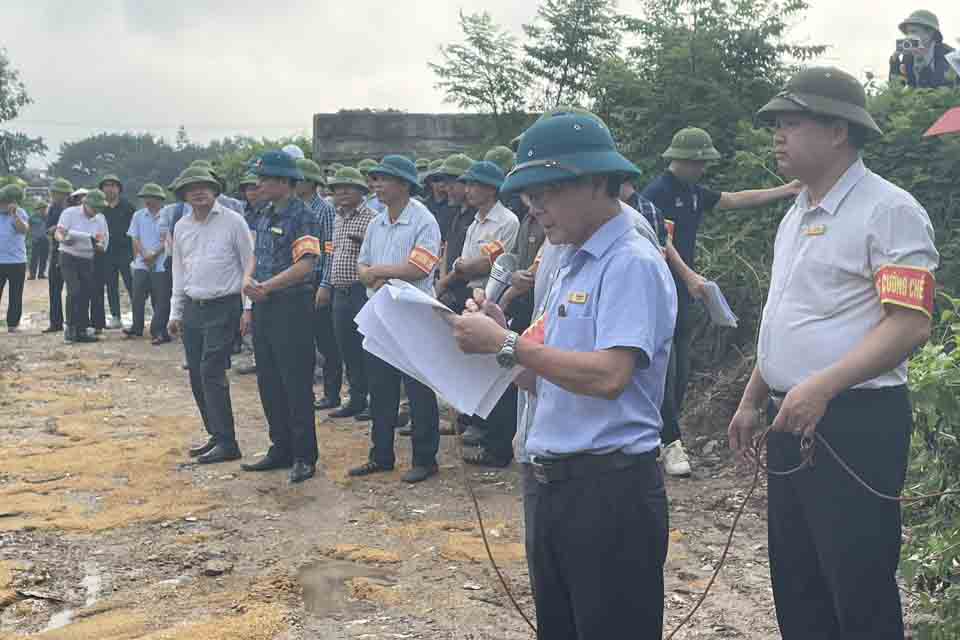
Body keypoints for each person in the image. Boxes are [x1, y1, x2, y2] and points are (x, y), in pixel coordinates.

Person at [728, 66, 939, 639]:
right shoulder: (797, 213)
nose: (777, 136)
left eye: (791, 124)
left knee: (857, 583)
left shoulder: (887, 211)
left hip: (854, 421)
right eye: (776, 124)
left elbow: (909, 325)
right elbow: (786, 317)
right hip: (791, 414)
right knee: (798, 581)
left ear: (839, 131)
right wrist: (754, 396)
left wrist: (822, 386)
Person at [450, 112, 677, 639]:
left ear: (598, 183)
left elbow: (610, 376)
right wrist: (503, 338)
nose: (535, 208)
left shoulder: (629, 261)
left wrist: (508, 345)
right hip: (554, 484)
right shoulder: (571, 259)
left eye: (547, 191)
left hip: (609, 489)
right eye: (529, 195)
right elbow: (540, 377)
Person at [642, 126, 802, 477]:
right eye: (697, 163)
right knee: (664, 373)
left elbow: (734, 198)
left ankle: (663, 436)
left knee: (681, 370)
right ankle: (669, 442)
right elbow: (661, 244)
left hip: (686, 296)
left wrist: (786, 190)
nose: (702, 169)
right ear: (679, 160)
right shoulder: (658, 193)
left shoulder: (694, 192)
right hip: (660, 294)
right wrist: (688, 277)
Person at [347, 155, 442, 485]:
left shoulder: (423, 221)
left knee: (418, 390)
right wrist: (370, 274)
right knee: (380, 387)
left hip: (414, 315)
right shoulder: (377, 222)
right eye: (375, 179)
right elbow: (362, 265)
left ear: (404, 184)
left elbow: (420, 268)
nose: (377, 185)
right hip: (381, 313)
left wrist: (378, 272)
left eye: (383, 179)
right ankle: (381, 455)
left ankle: (425, 458)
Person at [240, 151, 322, 485]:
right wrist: (248, 280)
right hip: (264, 305)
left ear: (284, 182)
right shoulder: (263, 213)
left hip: (291, 306)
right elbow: (255, 254)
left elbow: (307, 264)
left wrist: (267, 287)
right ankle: (281, 447)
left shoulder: (302, 216)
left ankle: (304, 455)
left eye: (265, 178)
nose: (258, 184)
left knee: (296, 382)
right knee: (269, 379)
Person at [168, 169, 253, 465]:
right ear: (183, 195)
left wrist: (247, 309)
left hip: (224, 304)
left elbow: (248, 265)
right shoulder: (180, 227)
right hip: (193, 305)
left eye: (204, 187)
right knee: (195, 373)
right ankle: (215, 435)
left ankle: (228, 442)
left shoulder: (233, 221)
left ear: (215, 190)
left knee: (211, 370)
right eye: (191, 189)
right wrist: (175, 312)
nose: (199, 192)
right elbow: (179, 270)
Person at [444, 160, 520, 467]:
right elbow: (462, 262)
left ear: (490, 188)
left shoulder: (507, 221)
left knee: (496, 367)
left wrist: (466, 267)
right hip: (470, 294)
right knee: (472, 365)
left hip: (495, 297)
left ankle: (496, 440)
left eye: (474, 185)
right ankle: (478, 424)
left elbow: (490, 263)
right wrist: (464, 268)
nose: (469, 190)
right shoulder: (474, 222)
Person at [326, 167, 377, 419]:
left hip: (362, 291)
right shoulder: (336, 218)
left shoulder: (372, 218)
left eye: (349, 187)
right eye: (337, 188)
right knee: (347, 347)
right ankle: (356, 398)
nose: (342, 192)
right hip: (340, 292)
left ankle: (374, 401)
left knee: (368, 347)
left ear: (361, 191)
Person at [294, 158, 341, 411]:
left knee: (326, 341)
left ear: (311, 183)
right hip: (299, 282)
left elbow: (329, 249)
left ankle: (331, 393)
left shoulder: (323, 210)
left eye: (299, 179)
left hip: (318, 281)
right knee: (304, 340)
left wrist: (325, 284)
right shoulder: (295, 208)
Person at [56, 189, 110, 344]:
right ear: (85, 203)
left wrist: (97, 244)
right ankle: (70, 329)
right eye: (94, 208)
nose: (96, 212)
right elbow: (59, 232)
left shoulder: (100, 219)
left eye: (99, 208)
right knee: (74, 290)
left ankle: (81, 330)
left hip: (87, 258)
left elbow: (103, 243)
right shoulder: (69, 213)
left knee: (86, 292)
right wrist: (64, 239)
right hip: (68, 256)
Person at [125, 183, 171, 344]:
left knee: (161, 298)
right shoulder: (138, 215)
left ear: (159, 199)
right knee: (137, 296)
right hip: (141, 262)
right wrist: (144, 254)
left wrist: (155, 254)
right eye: (145, 198)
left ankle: (158, 330)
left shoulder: (167, 215)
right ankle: (136, 327)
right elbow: (134, 237)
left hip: (161, 263)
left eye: (150, 197)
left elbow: (169, 239)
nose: (147, 201)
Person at [433, 153, 476, 311]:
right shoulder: (455, 213)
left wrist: (443, 283)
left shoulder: (477, 216)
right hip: (448, 288)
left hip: (468, 294)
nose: (447, 189)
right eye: (446, 183)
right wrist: (443, 280)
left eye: (453, 184)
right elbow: (447, 246)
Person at [97, 174, 136, 330]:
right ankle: (115, 317)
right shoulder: (100, 208)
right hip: (107, 252)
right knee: (111, 285)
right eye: (106, 185)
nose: (109, 188)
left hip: (126, 252)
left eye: (113, 185)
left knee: (131, 285)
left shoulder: (128, 207)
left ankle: (137, 316)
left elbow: (135, 232)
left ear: (119, 189)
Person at [889, 10, 955, 89]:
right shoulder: (909, 56)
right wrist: (895, 60)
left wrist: (923, 60)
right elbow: (896, 88)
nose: (909, 36)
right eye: (907, 33)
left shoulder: (948, 55)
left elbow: (940, 89)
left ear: (930, 33)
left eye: (913, 32)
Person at [43, 178, 73, 334]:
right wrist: (56, 228)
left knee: (73, 289)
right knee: (54, 288)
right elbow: (48, 230)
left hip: (72, 252)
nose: (53, 195)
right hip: (56, 252)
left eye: (56, 193)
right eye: (53, 192)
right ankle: (55, 323)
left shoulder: (75, 209)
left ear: (65, 194)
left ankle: (73, 322)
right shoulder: (53, 209)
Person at [0, 185, 30, 333]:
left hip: (17, 261)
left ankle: (13, 324)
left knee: (15, 294)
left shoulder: (20, 213)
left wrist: (14, 214)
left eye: (5, 203)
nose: (2, 205)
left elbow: (23, 229)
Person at [28, 202, 49, 280]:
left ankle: (41, 274)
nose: (44, 210)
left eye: (45, 208)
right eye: (42, 208)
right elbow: (28, 227)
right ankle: (32, 275)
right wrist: (32, 235)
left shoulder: (48, 217)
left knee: (44, 258)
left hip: (45, 240)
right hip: (35, 240)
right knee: (34, 258)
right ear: (38, 209)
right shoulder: (32, 217)